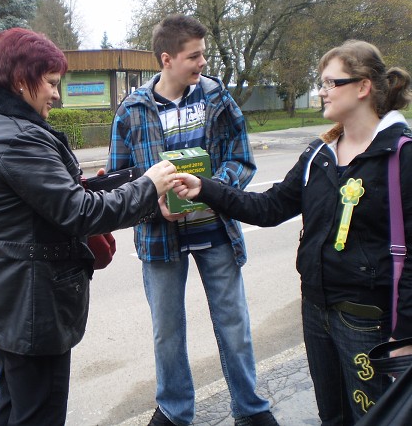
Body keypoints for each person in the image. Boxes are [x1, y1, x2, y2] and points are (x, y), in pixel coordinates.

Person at [172, 39, 412, 425]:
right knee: (331, 416)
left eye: (331, 83)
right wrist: (207, 189)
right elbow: (269, 208)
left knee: (375, 418)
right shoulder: (319, 155)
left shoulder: (401, 155)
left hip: (369, 321)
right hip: (316, 310)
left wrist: (407, 335)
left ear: (363, 87)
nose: (321, 91)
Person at [0, 27, 177, 426]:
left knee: (15, 402)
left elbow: (38, 202)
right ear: (21, 81)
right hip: (28, 306)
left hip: (1, 297)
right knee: (38, 413)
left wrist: (108, 185)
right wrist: (148, 186)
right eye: (51, 83)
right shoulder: (18, 139)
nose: (57, 94)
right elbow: (80, 213)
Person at [106, 14, 278, 426]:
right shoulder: (132, 110)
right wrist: (153, 205)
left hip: (216, 231)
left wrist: (214, 187)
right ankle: (174, 412)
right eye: (194, 55)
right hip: (159, 239)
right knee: (167, 332)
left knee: (234, 325)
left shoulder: (218, 99)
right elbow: (119, 183)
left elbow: (241, 157)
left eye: (204, 54)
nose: (203, 63)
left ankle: (250, 411)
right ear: (167, 59)